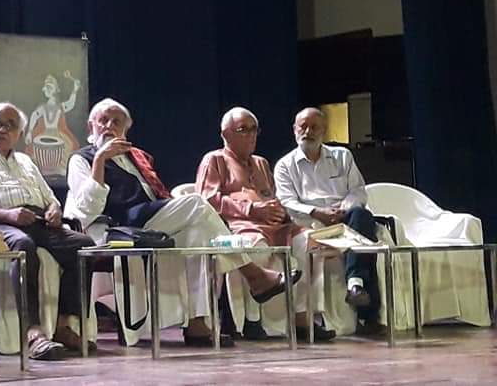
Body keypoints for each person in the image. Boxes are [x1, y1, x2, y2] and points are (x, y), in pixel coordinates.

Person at [65, 98, 294, 347]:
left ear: (125, 130)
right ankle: (253, 274)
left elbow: (155, 196)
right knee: (196, 202)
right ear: (91, 127)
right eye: (103, 121)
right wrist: (100, 160)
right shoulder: (81, 159)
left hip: (148, 222)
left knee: (199, 235)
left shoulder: (134, 157)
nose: (109, 126)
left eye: (116, 122)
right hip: (116, 226)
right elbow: (88, 209)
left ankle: (197, 323)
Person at [0, 102, 94, 360]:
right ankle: (33, 332)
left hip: (36, 221)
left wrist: (54, 210)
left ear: (20, 134)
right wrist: (7, 215)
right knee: (23, 245)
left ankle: (62, 325)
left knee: (84, 245)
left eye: (10, 125)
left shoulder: (25, 161)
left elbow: (50, 199)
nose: (1, 129)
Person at [195, 106, 335, 341]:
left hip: (275, 227)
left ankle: (301, 318)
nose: (251, 135)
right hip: (238, 227)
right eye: (243, 130)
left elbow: (271, 196)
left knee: (309, 243)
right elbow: (207, 200)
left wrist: (278, 210)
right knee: (257, 245)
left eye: (254, 130)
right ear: (226, 134)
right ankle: (252, 320)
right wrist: (251, 209)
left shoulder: (260, 163)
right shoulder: (214, 160)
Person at [274, 107, 382, 334]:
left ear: (324, 130)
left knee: (362, 218)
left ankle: (355, 285)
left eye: (314, 127)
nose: (308, 132)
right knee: (362, 237)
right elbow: (286, 201)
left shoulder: (342, 156)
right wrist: (317, 212)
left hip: (344, 217)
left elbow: (358, 191)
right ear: (294, 130)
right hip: (308, 222)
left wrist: (342, 209)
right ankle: (367, 313)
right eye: (303, 127)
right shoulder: (285, 165)